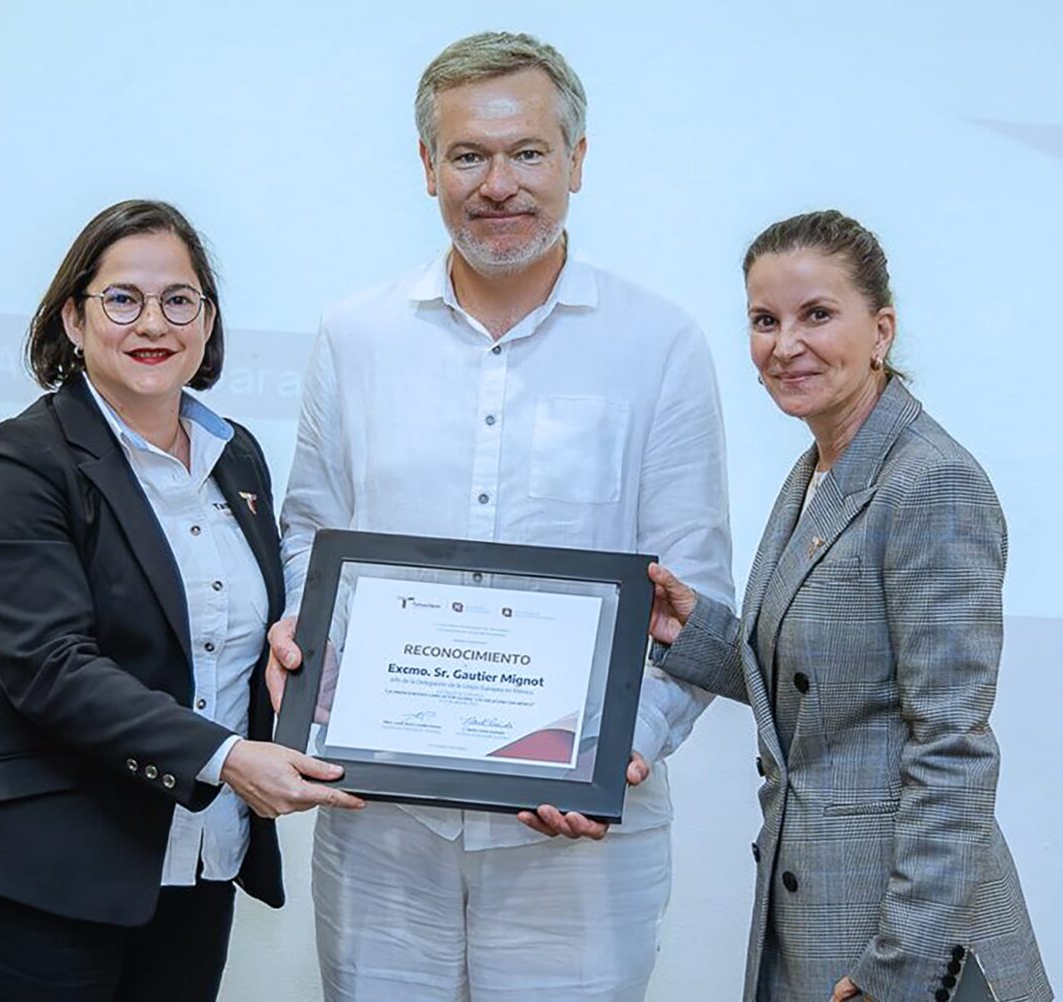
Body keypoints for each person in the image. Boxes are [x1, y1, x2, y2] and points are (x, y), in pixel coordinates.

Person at [269, 31, 733, 1002]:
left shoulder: (659, 344)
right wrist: (297, 649)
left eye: (527, 152)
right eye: (469, 155)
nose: (499, 184)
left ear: (577, 159)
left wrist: (620, 750)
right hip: (383, 823)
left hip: (578, 843)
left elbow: (699, 588)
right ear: (428, 165)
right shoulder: (356, 336)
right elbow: (309, 536)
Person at [0, 199, 363, 1002]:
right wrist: (230, 759)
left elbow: (251, 634)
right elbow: (51, 669)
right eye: (122, 299)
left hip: (199, 860)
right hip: (47, 877)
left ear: (208, 320)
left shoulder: (239, 460)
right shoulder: (20, 464)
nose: (152, 323)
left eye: (178, 300)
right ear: (73, 318)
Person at [648, 209, 1052, 1002]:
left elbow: (953, 749)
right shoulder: (819, 471)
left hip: (896, 934)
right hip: (814, 912)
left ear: (882, 330)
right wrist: (693, 631)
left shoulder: (930, 483)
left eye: (817, 314)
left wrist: (900, 967)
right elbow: (829, 679)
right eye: (765, 320)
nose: (784, 344)